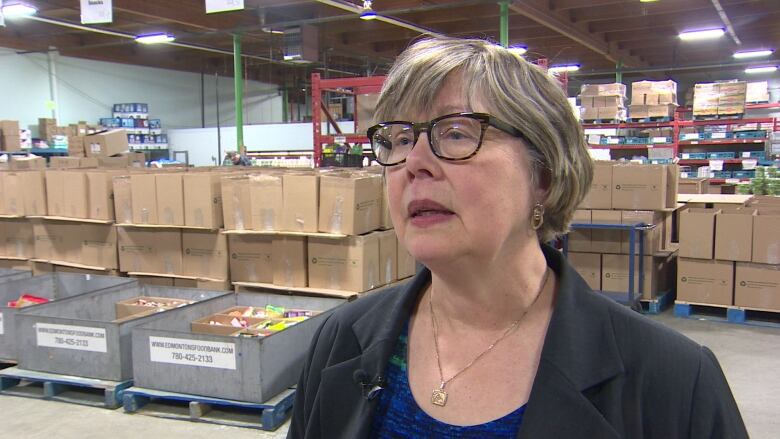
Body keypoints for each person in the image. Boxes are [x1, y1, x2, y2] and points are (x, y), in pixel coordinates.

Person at [288, 37, 747, 438]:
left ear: (543, 176)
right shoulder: (340, 342)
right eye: (398, 138)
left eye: (455, 133)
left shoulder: (674, 383)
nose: (414, 162)